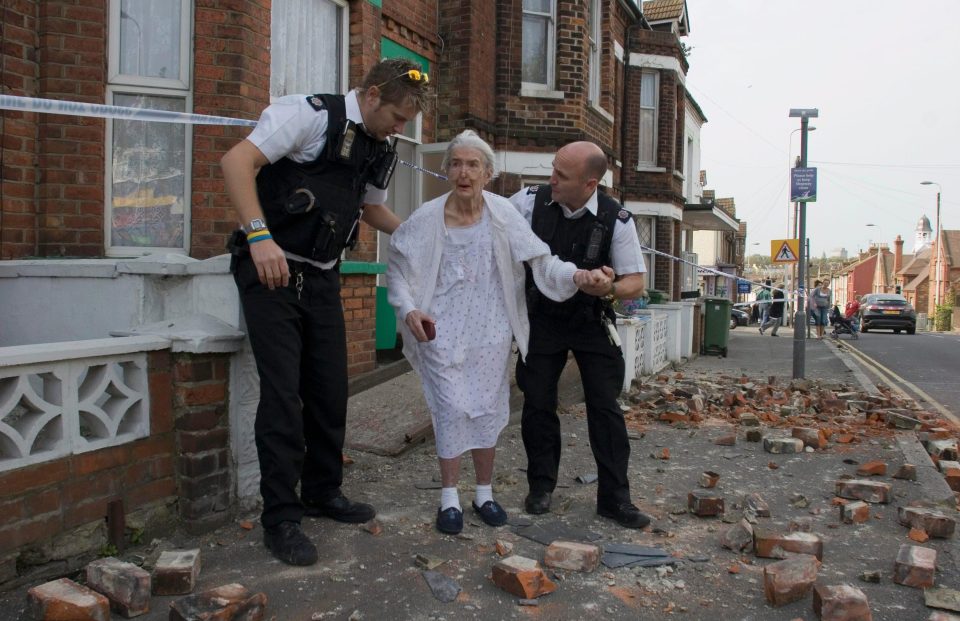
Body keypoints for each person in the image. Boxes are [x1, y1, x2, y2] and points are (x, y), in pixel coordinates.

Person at [220, 58, 430, 566]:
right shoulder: (309, 115)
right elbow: (236, 162)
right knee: (284, 397)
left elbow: (370, 209)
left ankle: (322, 491)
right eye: (399, 117)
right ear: (375, 94)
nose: (401, 129)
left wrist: (424, 239)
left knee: (329, 390)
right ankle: (281, 518)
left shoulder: (379, 146)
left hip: (321, 274)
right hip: (270, 269)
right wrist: (259, 236)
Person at [387, 131, 610, 535]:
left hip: (491, 330)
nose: (463, 172)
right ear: (447, 170)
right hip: (442, 331)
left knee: (488, 409)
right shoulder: (427, 218)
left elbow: (542, 262)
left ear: (488, 173)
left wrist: (577, 275)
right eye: (456, 163)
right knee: (451, 409)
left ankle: (485, 494)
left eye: (473, 165)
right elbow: (399, 269)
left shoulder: (503, 216)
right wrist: (409, 309)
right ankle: (449, 498)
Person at [509, 141, 652, 529]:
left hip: (591, 318)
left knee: (605, 406)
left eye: (561, 175)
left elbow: (635, 283)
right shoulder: (527, 201)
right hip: (542, 319)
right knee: (538, 402)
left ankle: (614, 499)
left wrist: (607, 288)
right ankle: (540, 487)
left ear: (590, 184)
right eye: (553, 169)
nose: (550, 179)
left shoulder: (616, 219)